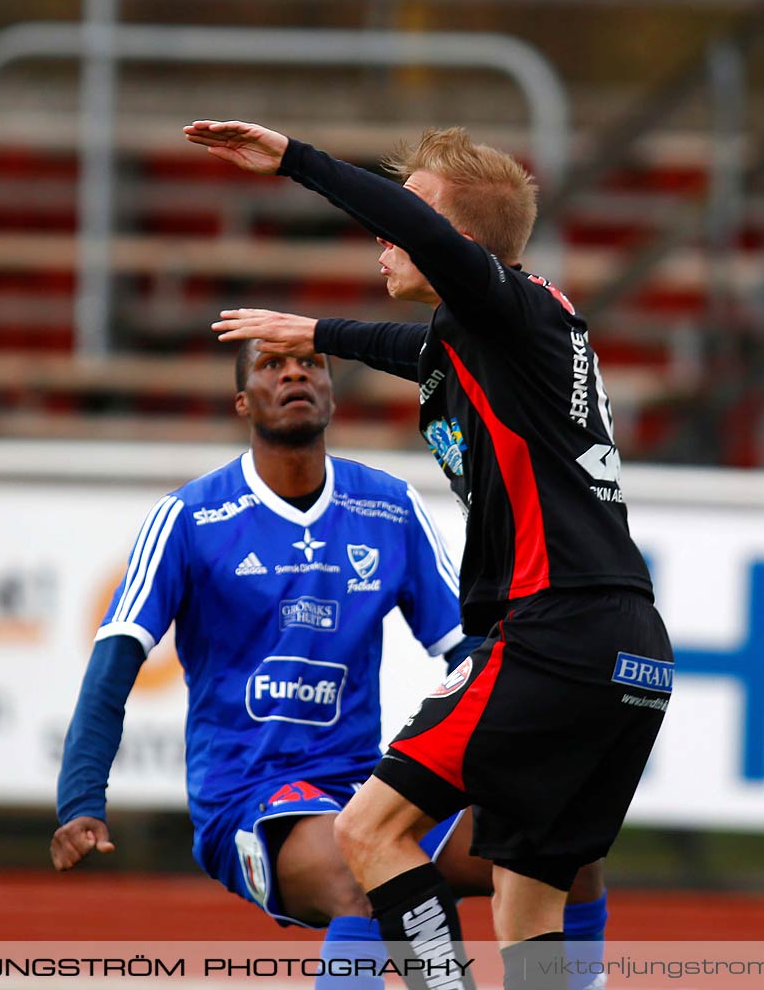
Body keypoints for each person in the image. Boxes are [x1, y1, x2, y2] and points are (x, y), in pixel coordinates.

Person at [194, 121, 671, 990]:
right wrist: (313, 329)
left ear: (458, 240)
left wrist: (297, 161)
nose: (389, 236)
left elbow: (422, 257)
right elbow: (412, 351)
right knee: (529, 897)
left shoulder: (498, 304)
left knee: (369, 831)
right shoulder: (508, 333)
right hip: (630, 649)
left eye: (411, 217)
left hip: (550, 629)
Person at [51, 338, 610, 990]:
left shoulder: (388, 507)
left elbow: (468, 653)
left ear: (332, 394)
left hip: (369, 789)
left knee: (564, 845)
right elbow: (116, 660)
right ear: (242, 402)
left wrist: (517, 762)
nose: (294, 372)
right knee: (363, 875)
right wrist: (81, 797)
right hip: (249, 798)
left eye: (309, 363)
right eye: (270, 365)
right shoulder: (189, 517)